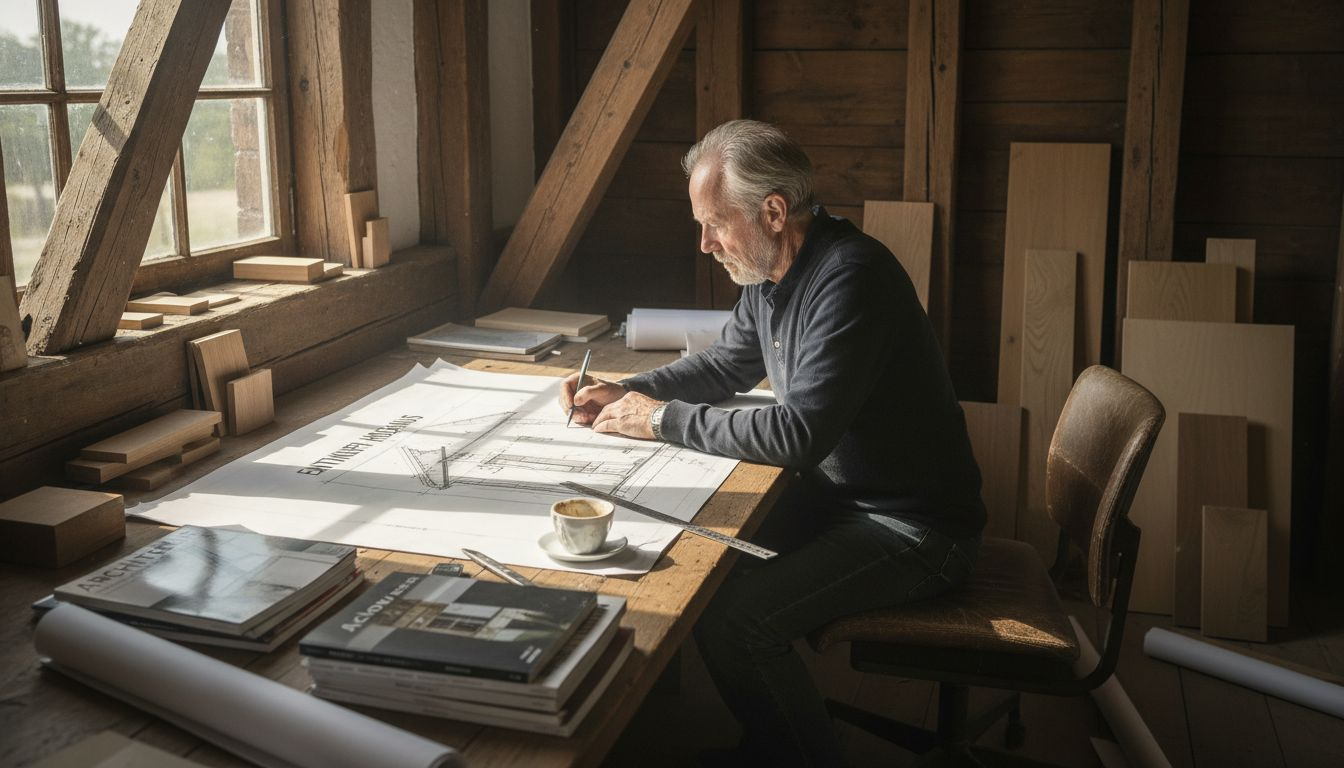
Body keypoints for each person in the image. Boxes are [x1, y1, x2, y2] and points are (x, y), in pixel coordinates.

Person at [559, 119, 985, 767]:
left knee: (735, 618)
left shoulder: (851, 278)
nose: (704, 244)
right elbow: (724, 366)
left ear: (774, 212)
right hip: (846, 502)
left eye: (714, 224)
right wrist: (624, 390)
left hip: (915, 529)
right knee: (695, 559)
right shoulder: (770, 275)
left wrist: (657, 420)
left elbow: (798, 434)